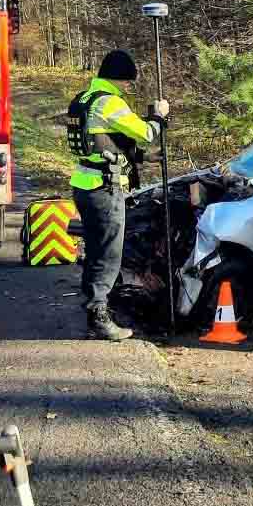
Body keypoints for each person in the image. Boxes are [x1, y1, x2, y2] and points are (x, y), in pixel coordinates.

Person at [65, 50, 169, 342]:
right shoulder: (109, 101)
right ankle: (99, 317)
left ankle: (93, 307)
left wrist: (144, 159)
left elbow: (104, 141)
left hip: (85, 183)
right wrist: (159, 116)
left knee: (97, 249)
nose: (128, 88)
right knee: (109, 254)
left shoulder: (84, 97)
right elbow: (145, 132)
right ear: (120, 78)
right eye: (127, 82)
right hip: (104, 187)